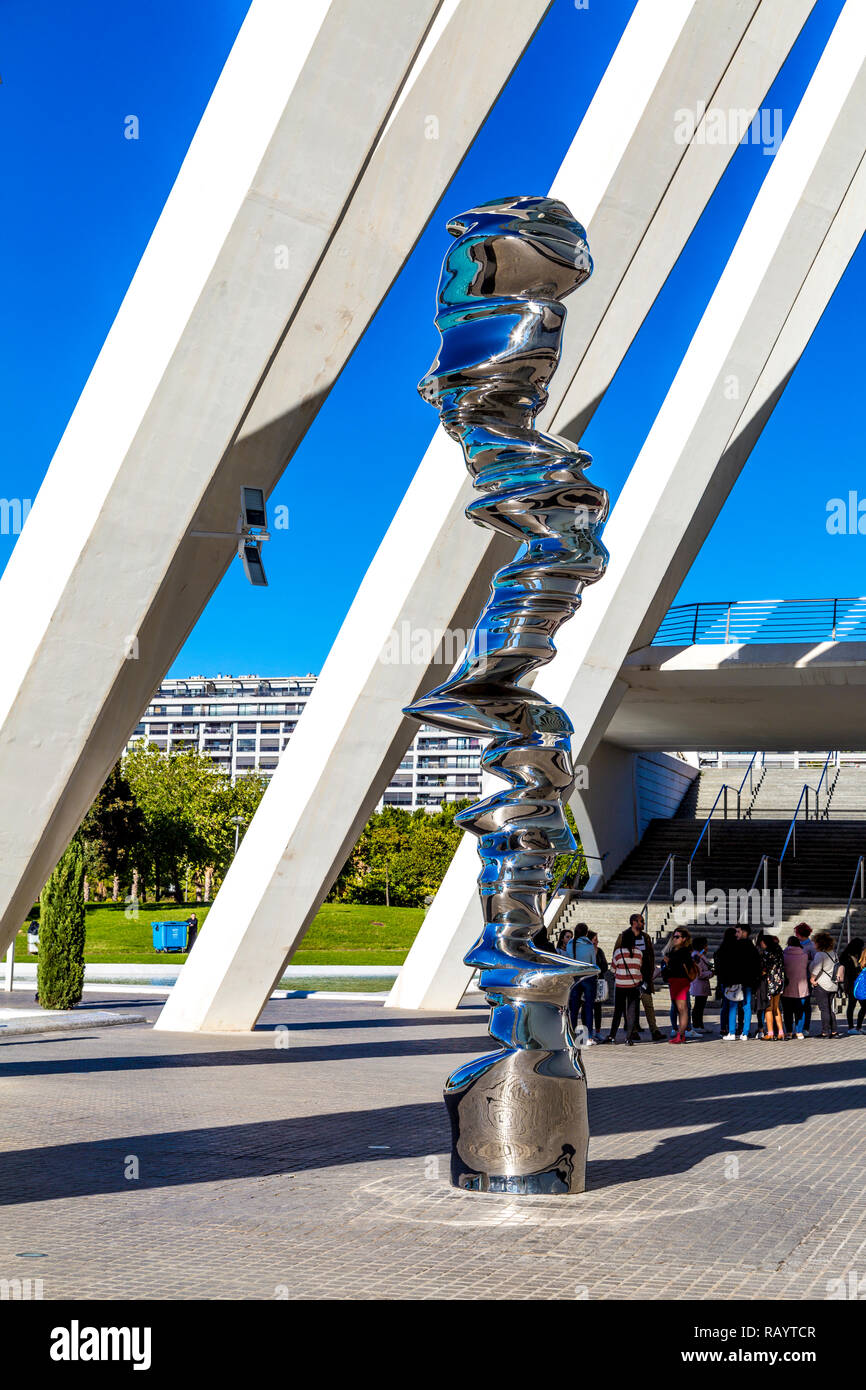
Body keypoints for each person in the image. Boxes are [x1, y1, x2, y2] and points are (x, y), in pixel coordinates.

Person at [613, 913, 664, 1042]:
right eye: (641, 921)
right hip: (629, 979)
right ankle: (633, 1031)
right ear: (634, 922)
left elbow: (651, 956)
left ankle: (654, 1030)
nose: (643, 923)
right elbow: (616, 955)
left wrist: (651, 973)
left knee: (648, 1004)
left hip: (644, 978)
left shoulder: (645, 937)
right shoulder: (623, 936)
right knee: (630, 1006)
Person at [600, 928, 644, 1045]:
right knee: (631, 1012)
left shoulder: (618, 952)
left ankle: (612, 1035)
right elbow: (639, 967)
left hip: (621, 985)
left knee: (618, 1011)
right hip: (634, 985)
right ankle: (628, 1038)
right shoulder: (639, 952)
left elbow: (613, 969)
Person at [717, 924, 761, 1040]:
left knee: (733, 1006)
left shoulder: (733, 946)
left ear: (744, 932)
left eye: (738, 931)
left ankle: (731, 1032)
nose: (736, 933)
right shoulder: (751, 947)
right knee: (746, 1007)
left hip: (735, 981)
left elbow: (728, 965)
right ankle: (745, 1033)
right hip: (747, 981)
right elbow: (756, 965)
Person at [562, 923, 597, 1044]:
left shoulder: (570, 944)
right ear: (586, 933)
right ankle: (588, 1037)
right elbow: (593, 963)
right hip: (588, 977)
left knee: (573, 1009)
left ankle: (571, 1035)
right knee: (588, 1008)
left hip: (574, 978)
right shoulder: (589, 945)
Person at [663, 928, 695, 1043]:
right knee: (679, 1008)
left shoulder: (685, 951)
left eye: (677, 937)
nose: (674, 939)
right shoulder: (673, 951)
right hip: (674, 981)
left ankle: (681, 1035)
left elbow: (680, 966)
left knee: (682, 1009)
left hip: (681, 981)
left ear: (684, 939)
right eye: (674, 937)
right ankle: (681, 1034)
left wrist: (668, 962)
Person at [809, 931, 841, 1038]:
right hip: (832, 984)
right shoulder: (834, 953)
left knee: (824, 1009)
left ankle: (825, 1032)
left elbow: (817, 968)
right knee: (829, 1008)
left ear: (819, 943)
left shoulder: (820, 954)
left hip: (822, 984)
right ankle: (834, 1031)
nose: (814, 944)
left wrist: (812, 979)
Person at [756, 933, 786, 1040]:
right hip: (779, 982)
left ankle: (770, 1033)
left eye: (762, 943)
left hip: (768, 983)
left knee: (768, 1008)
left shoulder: (766, 954)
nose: (761, 945)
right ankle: (781, 1032)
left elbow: (764, 970)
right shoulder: (779, 952)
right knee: (776, 1008)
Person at [782, 935, 809, 1039]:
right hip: (801, 988)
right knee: (800, 1011)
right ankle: (799, 1032)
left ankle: (788, 1031)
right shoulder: (804, 955)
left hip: (787, 987)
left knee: (787, 1012)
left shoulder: (784, 955)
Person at [840, 936, 866, 1035]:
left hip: (859, 984)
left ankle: (858, 1027)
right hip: (850, 984)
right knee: (851, 1005)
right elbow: (849, 971)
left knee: (863, 1006)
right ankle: (851, 1027)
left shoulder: (858, 955)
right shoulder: (846, 956)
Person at [688, 935, 713, 1035]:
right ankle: (697, 1025)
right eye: (706, 945)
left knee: (700, 1006)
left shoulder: (699, 955)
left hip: (700, 985)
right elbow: (699, 973)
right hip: (699, 985)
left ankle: (699, 1024)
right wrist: (711, 973)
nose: (707, 947)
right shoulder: (697, 957)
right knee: (698, 1006)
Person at [795, 923, 817, 1035]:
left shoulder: (811, 946)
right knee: (798, 1004)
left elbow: (815, 962)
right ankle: (798, 1026)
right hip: (796, 977)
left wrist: (806, 962)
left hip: (807, 977)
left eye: (797, 933)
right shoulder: (796, 944)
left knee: (806, 1004)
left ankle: (805, 1027)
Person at [588, 931, 609, 1039]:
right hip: (588, 982)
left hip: (598, 981)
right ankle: (588, 1032)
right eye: (595, 939)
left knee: (598, 1008)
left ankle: (598, 1031)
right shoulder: (586, 952)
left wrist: (598, 969)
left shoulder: (599, 951)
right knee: (587, 1008)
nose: (597, 941)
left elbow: (605, 966)